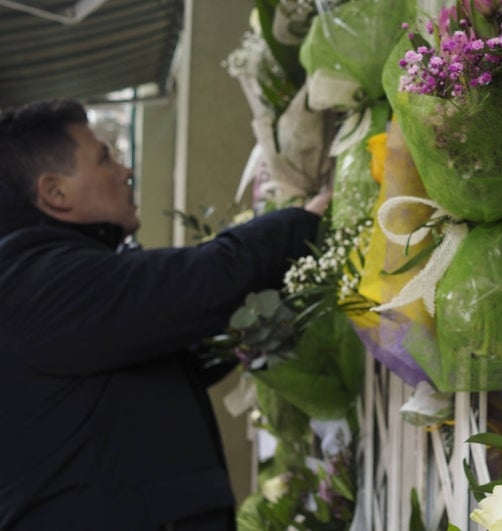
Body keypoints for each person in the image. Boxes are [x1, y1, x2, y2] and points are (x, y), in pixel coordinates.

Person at [0, 99, 330, 530]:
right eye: (104, 158)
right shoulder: (34, 281)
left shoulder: (45, 278)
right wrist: (303, 224)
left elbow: (165, 354)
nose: (125, 171)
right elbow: (201, 281)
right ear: (55, 192)